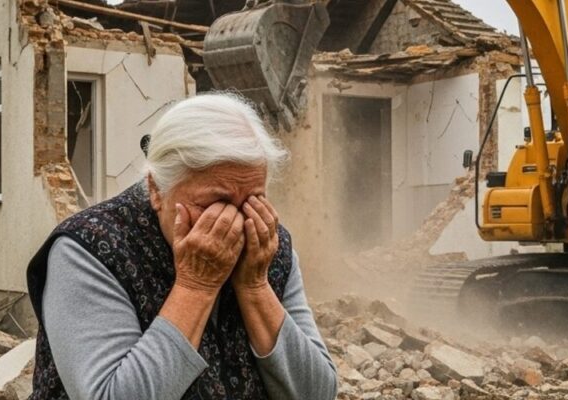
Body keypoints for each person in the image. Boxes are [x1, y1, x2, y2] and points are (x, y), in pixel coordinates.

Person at [26, 93, 338, 400]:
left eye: (253, 200)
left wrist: (255, 286)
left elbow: (318, 393)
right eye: (214, 203)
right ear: (156, 190)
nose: (234, 222)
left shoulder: (267, 244)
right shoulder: (89, 249)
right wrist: (196, 285)